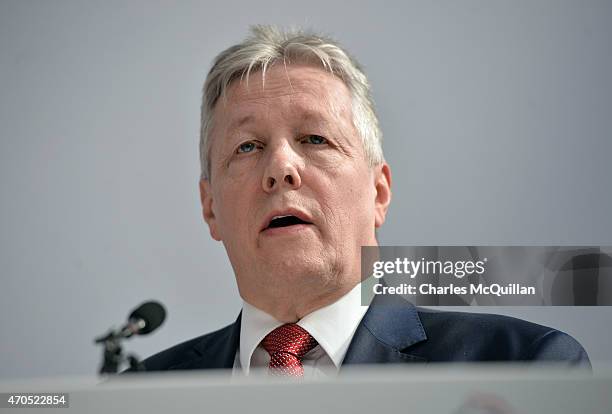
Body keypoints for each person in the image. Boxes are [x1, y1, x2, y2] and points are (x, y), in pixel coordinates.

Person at [134, 25, 589, 377]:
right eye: (248, 147)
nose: (280, 168)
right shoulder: (137, 396)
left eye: (314, 138)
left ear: (378, 192)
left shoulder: (525, 367)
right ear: (210, 206)